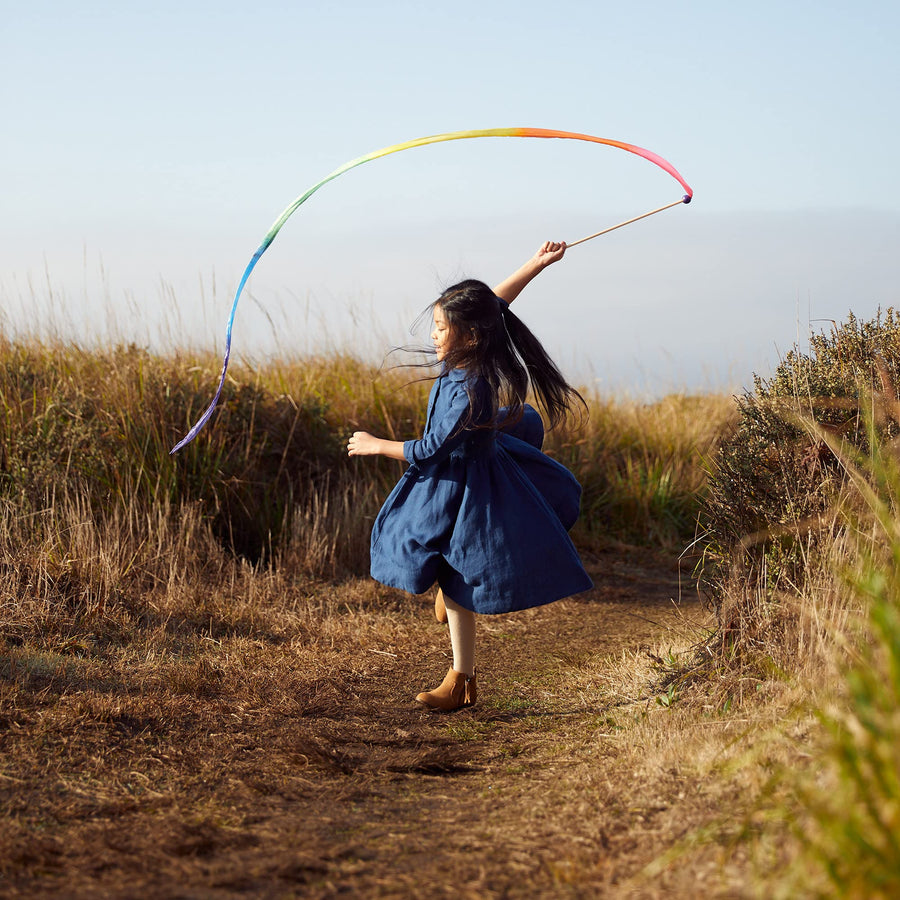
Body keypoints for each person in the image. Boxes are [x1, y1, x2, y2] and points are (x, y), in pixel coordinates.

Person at [347, 241, 592, 711]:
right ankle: (448, 602)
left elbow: (431, 448)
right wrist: (535, 264)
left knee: (457, 577)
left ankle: (461, 681)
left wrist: (377, 445)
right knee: (426, 553)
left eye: (442, 328)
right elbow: (495, 304)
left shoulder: (471, 389)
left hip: (468, 489)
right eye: (436, 326)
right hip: (446, 484)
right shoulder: (462, 358)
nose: (435, 336)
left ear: (470, 336)